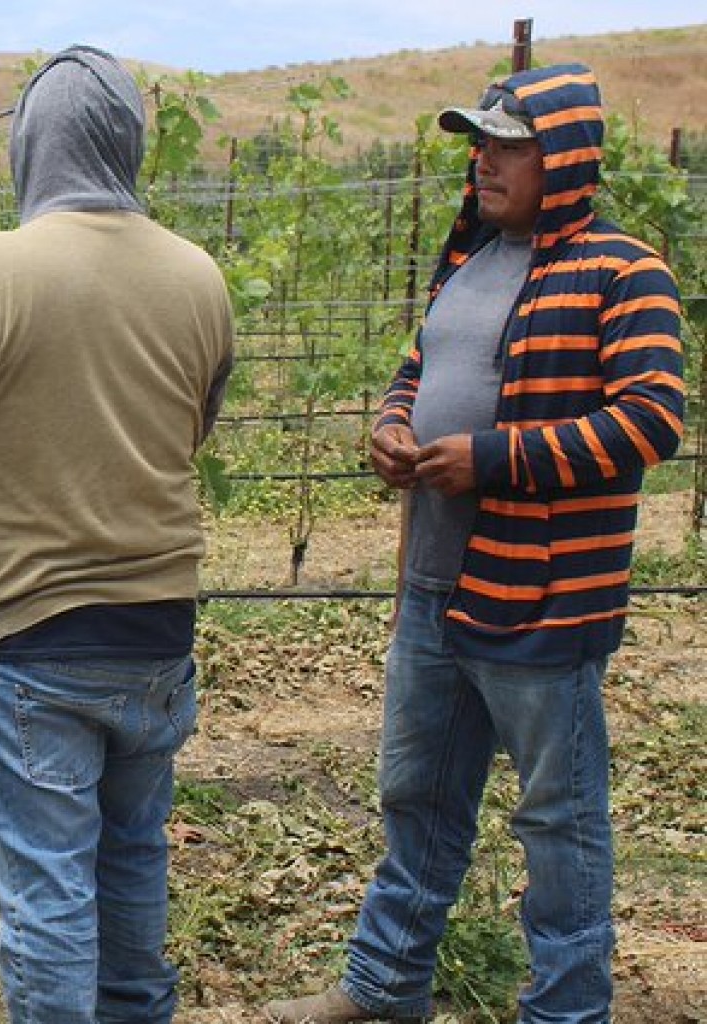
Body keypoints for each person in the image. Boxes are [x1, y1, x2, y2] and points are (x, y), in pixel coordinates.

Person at [263, 63, 685, 1024]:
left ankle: (566, 1008)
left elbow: (651, 420)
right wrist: (390, 426)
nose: (483, 162)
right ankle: (384, 987)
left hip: (540, 600)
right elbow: (416, 372)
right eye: (479, 144)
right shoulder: (467, 264)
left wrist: (494, 458)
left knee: (557, 818)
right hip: (433, 589)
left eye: (506, 146)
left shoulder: (624, 274)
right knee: (416, 794)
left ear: (562, 158)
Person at [0, 46, 235, 1024]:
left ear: (29, 144)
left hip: (35, 631)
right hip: (158, 627)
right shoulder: (198, 276)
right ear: (126, 141)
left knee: (45, 892)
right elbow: (190, 426)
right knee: (132, 859)